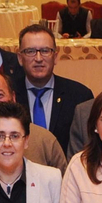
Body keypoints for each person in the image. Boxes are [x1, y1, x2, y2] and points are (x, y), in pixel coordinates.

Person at [18, 23, 94, 151]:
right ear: (20, 58)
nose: (38, 58)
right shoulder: (8, 95)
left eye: (45, 51)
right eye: (30, 51)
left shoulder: (80, 96)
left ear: (56, 57)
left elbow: (89, 149)